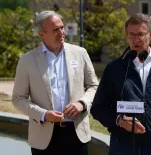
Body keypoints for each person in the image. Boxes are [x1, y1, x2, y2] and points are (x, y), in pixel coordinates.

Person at [90, 13, 151, 155]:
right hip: (122, 145)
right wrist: (120, 120)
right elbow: (98, 107)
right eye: (131, 35)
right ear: (126, 36)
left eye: (141, 35)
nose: (136, 40)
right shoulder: (114, 68)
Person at [12, 10, 99, 155]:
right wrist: (44, 114)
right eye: (55, 29)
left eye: (62, 27)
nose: (61, 32)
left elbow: (94, 86)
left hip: (77, 134)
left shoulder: (80, 53)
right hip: (43, 137)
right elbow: (18, 99)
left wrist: (82, 104)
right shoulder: (27, 60)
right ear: (42, 34)